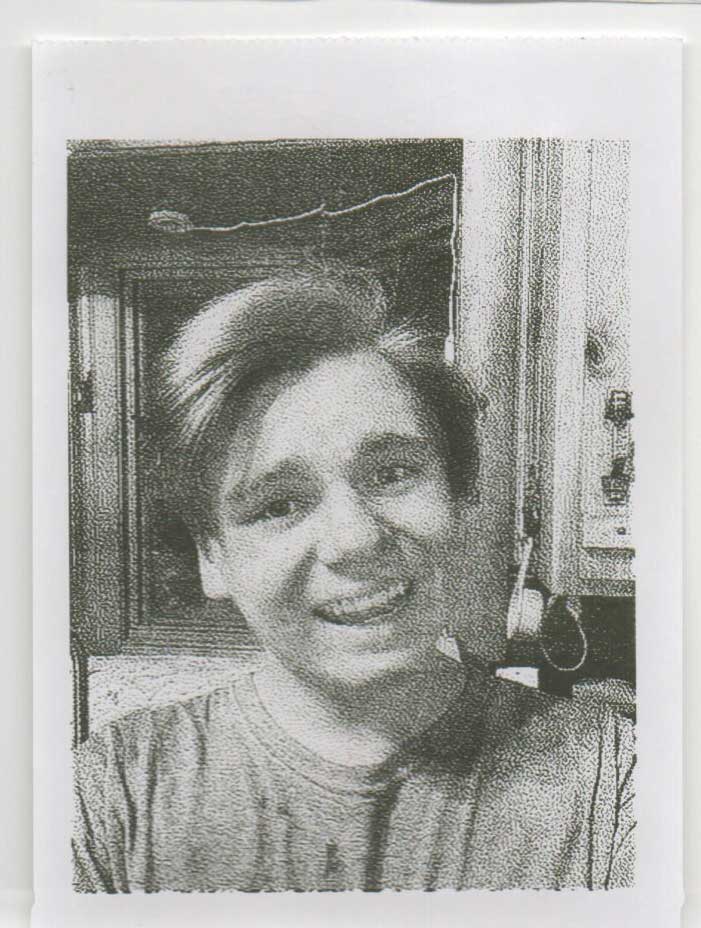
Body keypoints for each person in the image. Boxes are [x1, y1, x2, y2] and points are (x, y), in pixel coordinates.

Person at [73, 265, 635, 893]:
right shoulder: (108, 800)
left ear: (461, 497)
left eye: (393, 473)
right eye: (279, 504)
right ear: (213, 557)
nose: (356, 539)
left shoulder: (615, 784)